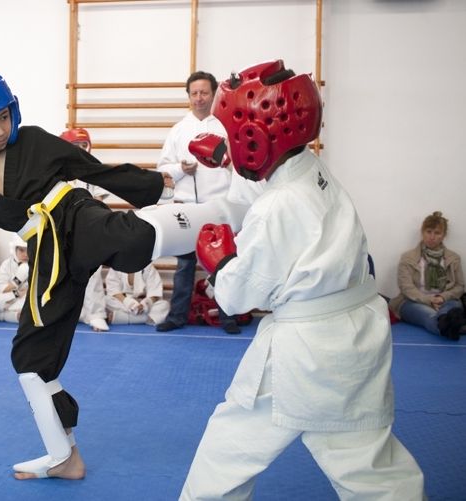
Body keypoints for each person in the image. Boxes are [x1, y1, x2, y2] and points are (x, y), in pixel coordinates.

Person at [0, 68, 232, 481]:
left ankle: (229, 216)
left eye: (3, 117)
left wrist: (162, 181)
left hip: (74, 216)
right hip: (47, 253)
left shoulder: (32, 139)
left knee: (128, 239)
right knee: (30, 357)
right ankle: (63, 456)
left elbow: (95, 172)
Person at [181, 60, 424, 500]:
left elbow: (237, 296)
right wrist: (225, 157)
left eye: (237, 134)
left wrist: (218, 263)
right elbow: (272, 184)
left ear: (256, 137)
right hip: (351, 331)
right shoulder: (312, 167)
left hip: (305, 352)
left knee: (229, 447)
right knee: (368, 464)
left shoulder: (277, 209)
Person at [154, 71, 235, 334]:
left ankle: (228, 317)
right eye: (194, 93)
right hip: (187, 208)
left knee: (224, 266)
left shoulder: (225, 128)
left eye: (204, 93)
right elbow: (162, 168)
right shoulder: (179, 130)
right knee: (185, 266)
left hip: (219, 207)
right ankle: (177, 317)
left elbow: (241, 166)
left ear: (213, 94)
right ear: (188, 96)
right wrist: (180, 168)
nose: (199, 98)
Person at [60, 128, 110, 332]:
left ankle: (96, 314)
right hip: (62, 230)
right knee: (62, 276)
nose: (81, 150)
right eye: (76, 146)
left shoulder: (93, 169)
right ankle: (65, 315)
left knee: (93, 274)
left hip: (87, 229)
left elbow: (99, 199)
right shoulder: (57, 172)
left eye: (84, 145)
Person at [389, 211, 464, 340]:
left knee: (453, 307)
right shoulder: (408, 258)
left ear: (444, 235)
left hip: (445, 301)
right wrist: (428, 300)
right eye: (428, 232)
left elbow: (459, 286)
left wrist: (442, 297)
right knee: (428, 316)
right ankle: (449, 326)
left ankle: (447, 323)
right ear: (422, 232)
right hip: (412, 302)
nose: (432, 237)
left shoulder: (453, 258)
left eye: (437, 233)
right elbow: (406, 288)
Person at [105, 263, 169, 325]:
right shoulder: (116, 266)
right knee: (105, 300)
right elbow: (114, 291)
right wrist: (128, 303)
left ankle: (122, 318)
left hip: (142, 303)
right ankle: (147, 318)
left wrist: (145, 304)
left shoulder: (148, 267)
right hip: (123, 303)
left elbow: (154, 292)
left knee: (164, 305)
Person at [0, 234, 29, 323]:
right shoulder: (7, 264)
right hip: (12, 297)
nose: (25, 254)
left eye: (28, 250)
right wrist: (17, 282)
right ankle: (18, 316)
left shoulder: (37, 263)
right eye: (22, 250)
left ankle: (16, 316)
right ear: (15, 250)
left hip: (26, 299)